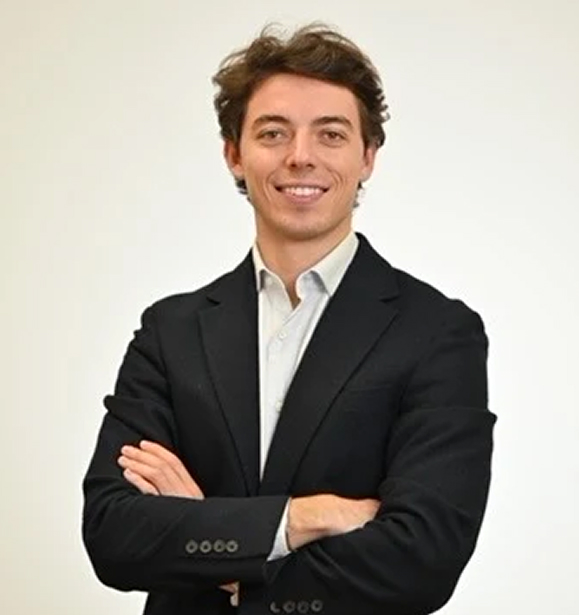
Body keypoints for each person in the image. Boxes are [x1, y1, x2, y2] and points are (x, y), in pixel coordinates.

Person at [82, 23, 496, 615]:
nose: (301, 156)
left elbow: (423, 558)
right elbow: (113, 534)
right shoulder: (170, 333)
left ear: (367, 157)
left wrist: (219, 551)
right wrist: (305, 517)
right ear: (234, 154)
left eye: (331, 134)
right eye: (273, 133)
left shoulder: (437, 333)